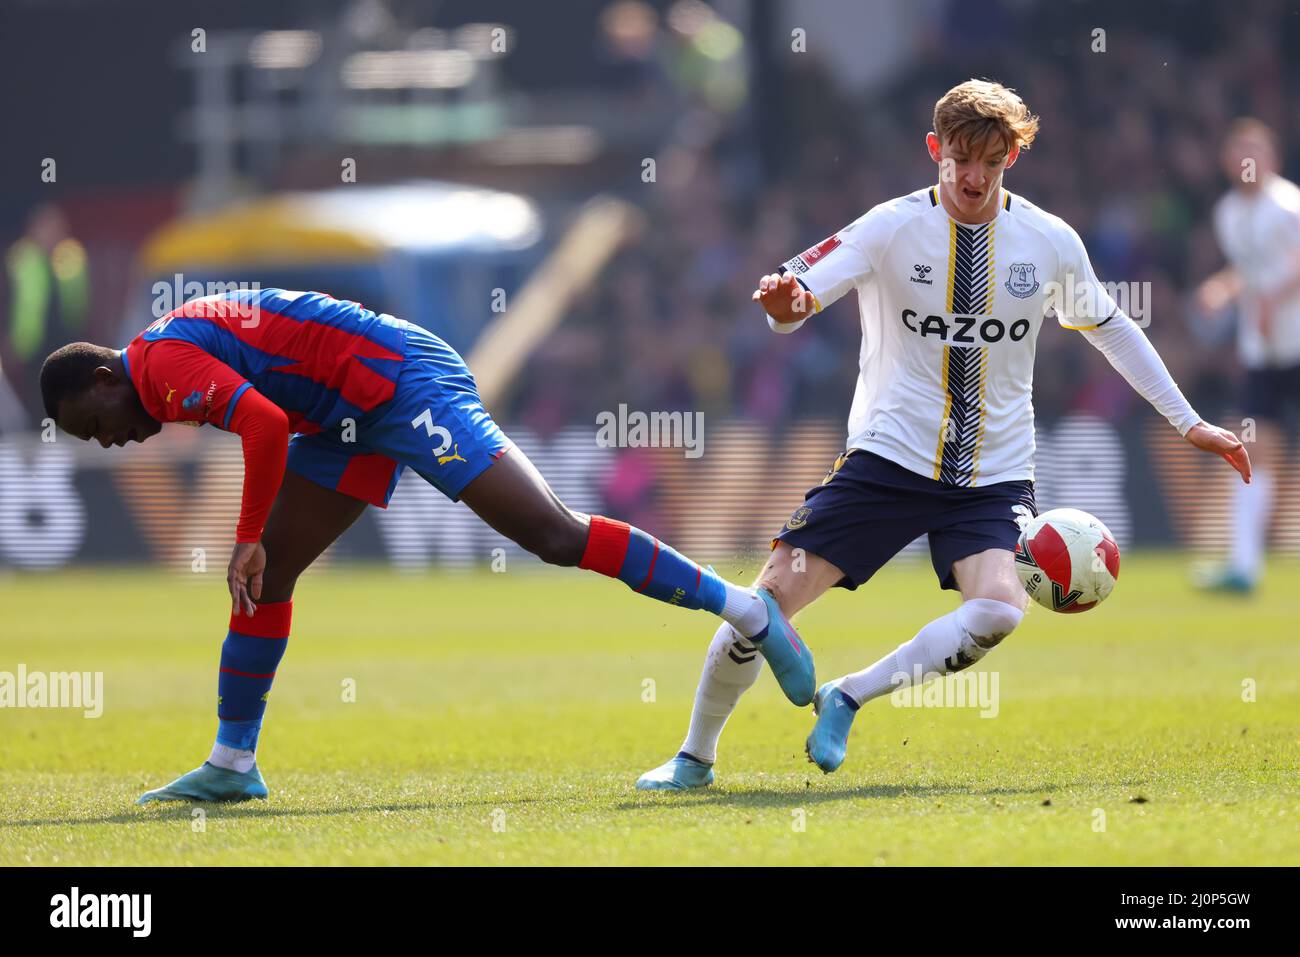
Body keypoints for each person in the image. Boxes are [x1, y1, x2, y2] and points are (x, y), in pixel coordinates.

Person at [637, 79, 1250, 789]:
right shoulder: (889, 227)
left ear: (1013, 157)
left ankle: (849, 695)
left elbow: (1108, 325)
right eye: (960, 158)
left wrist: (1189, 420)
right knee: (766, 603)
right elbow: (796, 291)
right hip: (887, 459)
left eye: (990, 161)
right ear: (935, 150)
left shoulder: (1048, 242)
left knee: (996, 610)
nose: (972, 177)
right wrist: (785, 308)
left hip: (994, 471)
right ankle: (695, 755)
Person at [40, 287, 813, 803]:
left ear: (107, 377)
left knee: (550, 533)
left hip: (403, 381)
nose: (107, 442)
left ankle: (748, 610)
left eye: (94, 425)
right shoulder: (159, 357)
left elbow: (265, 425)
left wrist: (244, 535)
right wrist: (255, 544)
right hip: (342, 413)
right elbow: (277, 402)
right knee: (266, 581)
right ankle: (232, 763)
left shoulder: (160, 367)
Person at [1195, 117, 1300, 593]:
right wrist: (1223, 287)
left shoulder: (1287, 207)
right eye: (1239, 152)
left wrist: (1273, 303)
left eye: (1255, 150)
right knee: (1256, 449)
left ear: (1272, 158)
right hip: (1264, 353)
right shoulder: (1229, 212)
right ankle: (1244, 566)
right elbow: (1249, 267)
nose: (1247, 161)